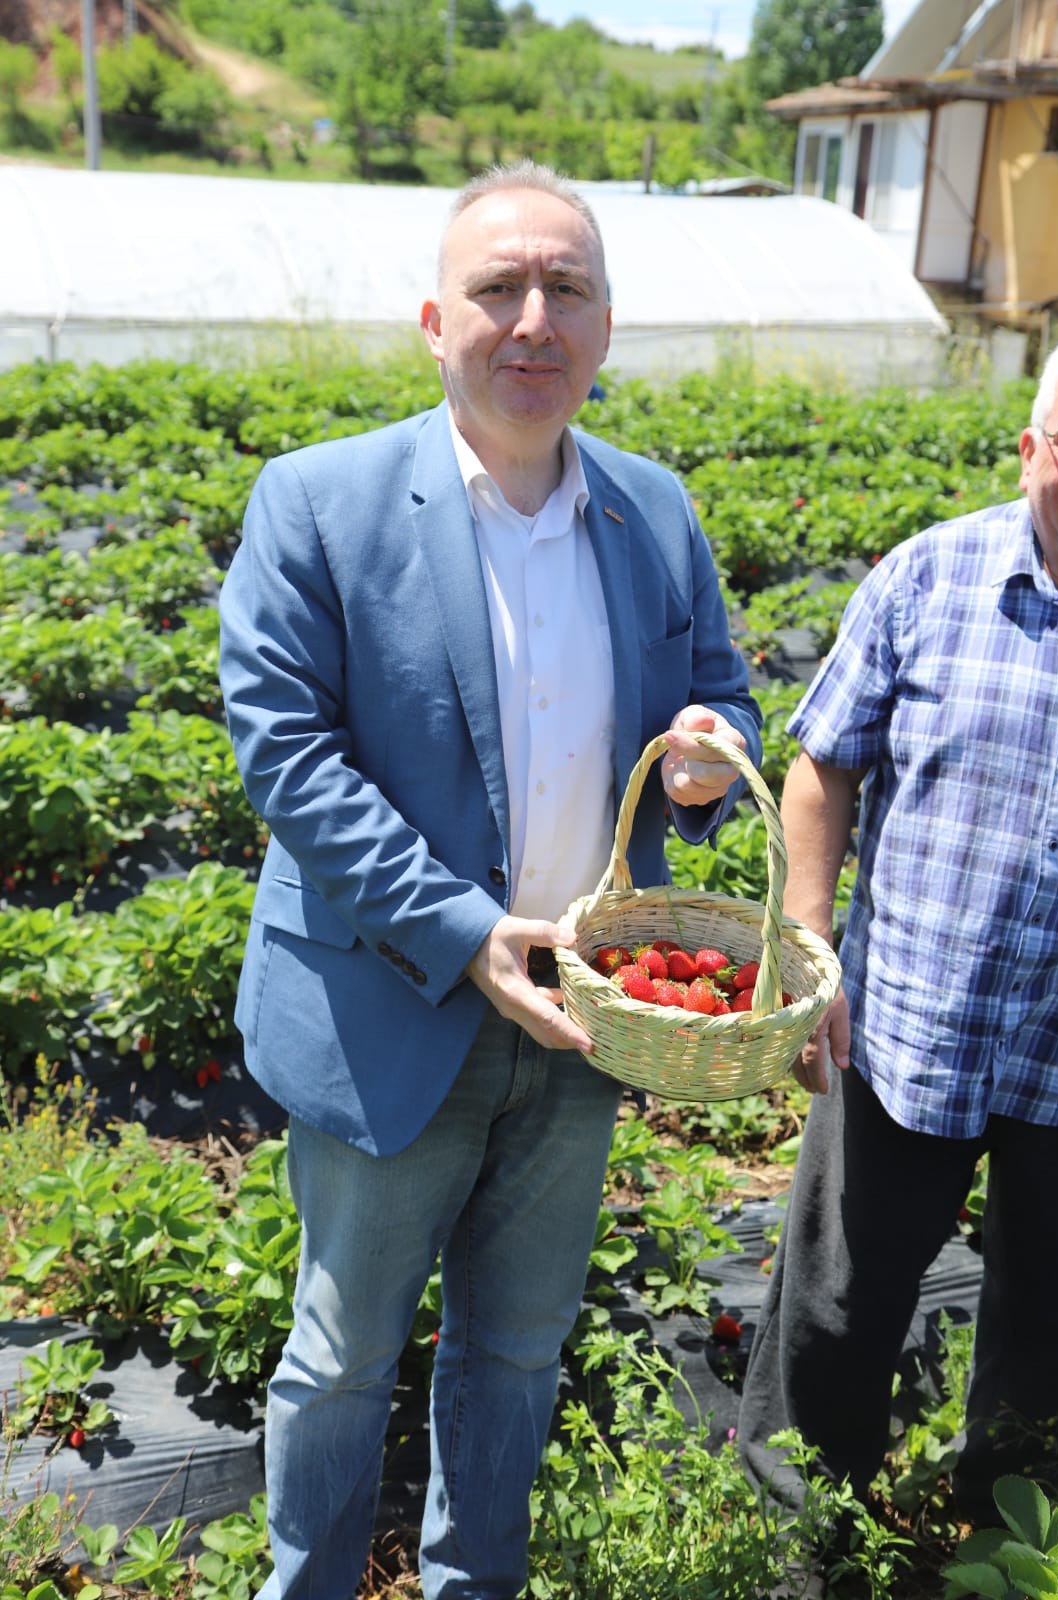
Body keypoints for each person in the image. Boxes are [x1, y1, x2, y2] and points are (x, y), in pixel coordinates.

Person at [218, 160, 762, 1600]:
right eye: (498, 288)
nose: (534, 319)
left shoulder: (650, 509)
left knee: (519, 1348)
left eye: (565, 289)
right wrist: (464, 934)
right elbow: (286, 753)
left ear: (602, 324)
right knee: (340, 1359)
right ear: (431, 319)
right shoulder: (319, 502)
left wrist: (709, 757)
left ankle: (476, 1585)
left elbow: (716, 695)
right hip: (391, 1008)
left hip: (582, 1025)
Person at [738, 340, 1058, 1536]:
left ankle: (1008, 1542)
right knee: (836, 1304)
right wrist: (808, 943)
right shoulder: (930, 576)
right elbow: (822, 764)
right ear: (1033, 444)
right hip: (911, 1024)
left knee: (1049, 1328)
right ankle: (800, 1539)